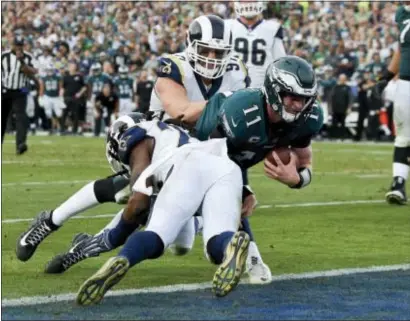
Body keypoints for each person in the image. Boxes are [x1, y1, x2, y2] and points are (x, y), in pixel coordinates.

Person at [76, 115, 249, 305]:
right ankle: (229, 244)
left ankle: (124, 259)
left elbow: (138, 206)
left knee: (157, 234)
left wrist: (118, 235)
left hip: (186, 165)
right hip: (227, 168)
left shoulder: (141, 142)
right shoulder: (174, 134)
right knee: (217, 245)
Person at [378, 3, 410, 205]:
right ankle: (398, 184)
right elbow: (402, 49)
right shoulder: (402, 14)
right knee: (403, 137)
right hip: (406, 82)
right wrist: (386, 76)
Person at [225, 1, 286, 88]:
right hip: (231, 86)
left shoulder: (273, 28)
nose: (249, 3)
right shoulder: (226, 26)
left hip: (261, 87)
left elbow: (280, 62)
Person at [1, 34, 38, 154]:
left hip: (21, 90)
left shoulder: (28, 57)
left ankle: (20, 144)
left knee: (21, 116)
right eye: (16, 45)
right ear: (12, 45)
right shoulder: (3, 56)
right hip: (5, 89)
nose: (18, 48)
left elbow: (33, 71)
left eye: (20, 45)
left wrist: (22, 61)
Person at [61, 61, 87, 135]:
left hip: (76, 98)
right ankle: (62, 129)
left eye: (74, 66)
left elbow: (84, 87)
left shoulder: (79, 76)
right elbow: (63, 88)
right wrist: (61, 97)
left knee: (76, 114)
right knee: (64, 114)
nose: (72, 67)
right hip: (67, 97)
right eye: (71, 66)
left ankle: (74, 130)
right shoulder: (65, 77)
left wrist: (79, 93)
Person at [38, 64, 65, 134]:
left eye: (51, 70)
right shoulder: (44, 78)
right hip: (47, 97)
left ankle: (61, 129)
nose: (50, 71)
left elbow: (61, 87)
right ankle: (50, 129)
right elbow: (42, 88)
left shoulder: (58, 77)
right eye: (48, 70)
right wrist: (40, 97)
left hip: (56, 97)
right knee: (48, 113)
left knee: (59, 113)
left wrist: (61, 96)